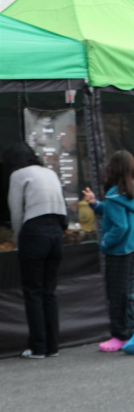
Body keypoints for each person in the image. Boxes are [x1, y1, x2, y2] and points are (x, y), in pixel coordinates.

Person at [3, 142, 67, 359]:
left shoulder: (18, 175)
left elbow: (16, 212)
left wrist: (19, 240)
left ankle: (38, 347)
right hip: (57, 232)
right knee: (49, 292)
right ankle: (53, 346)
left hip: (34, 232)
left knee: (33, 292)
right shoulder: (49, 172)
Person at [82, 151, 134, 355]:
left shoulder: (113, 194)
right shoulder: (130, 191)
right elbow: (115, 213)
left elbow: (120, 227)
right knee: (132, 289)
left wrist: (104, 243)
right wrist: (95, 204)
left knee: (116, 294)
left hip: (118, 253)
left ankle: (120, 335)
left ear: (113, 169)